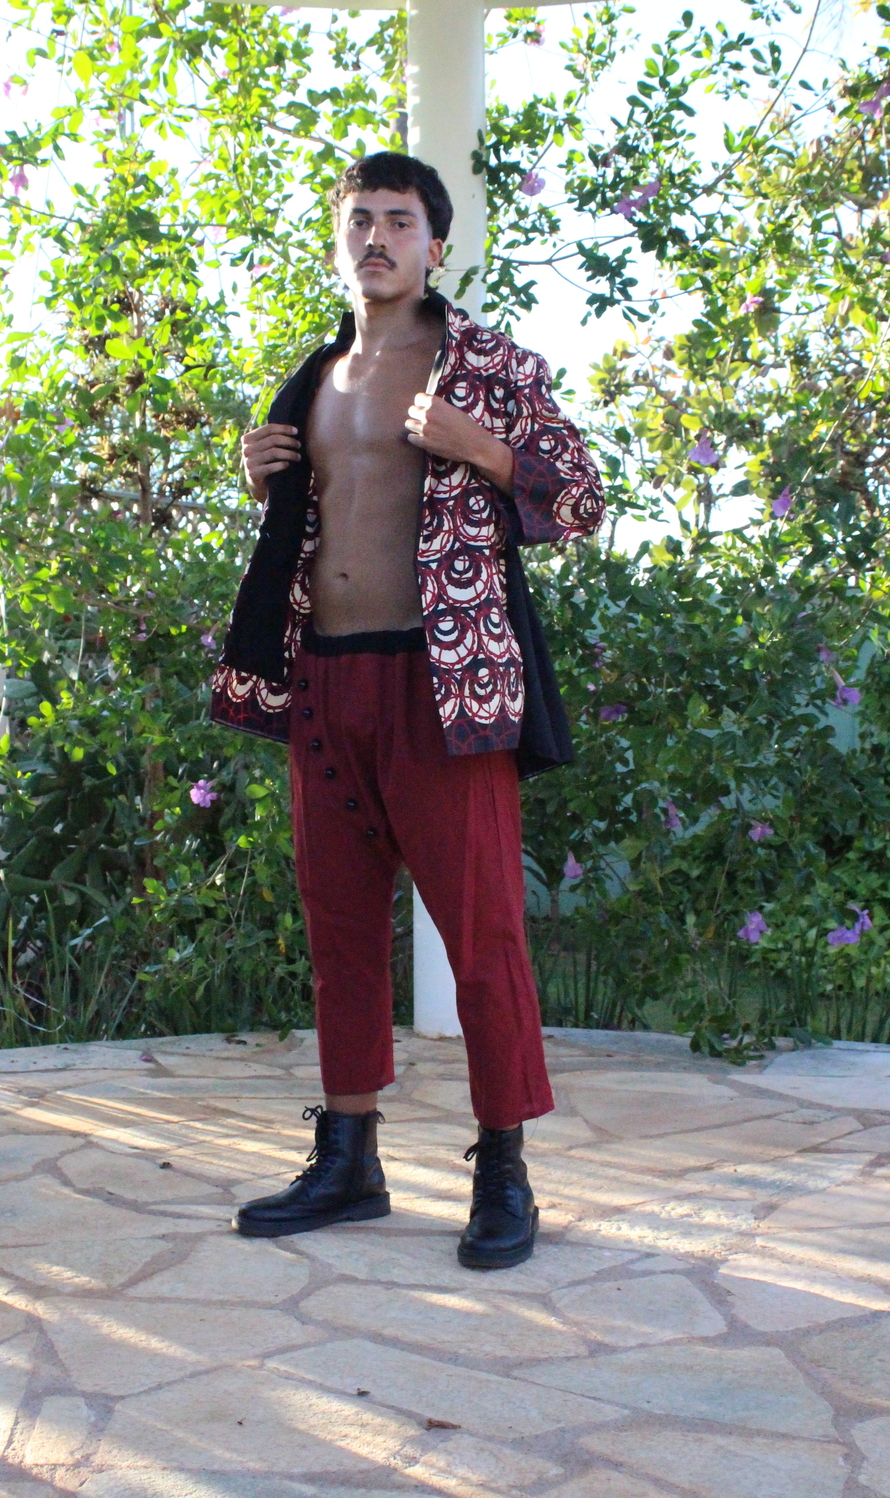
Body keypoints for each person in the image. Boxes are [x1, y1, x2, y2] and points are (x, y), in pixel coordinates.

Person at [211, 151, 604, 1268]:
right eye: (360, 220)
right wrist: (261, 473)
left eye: (398, 220)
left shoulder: (489, 365)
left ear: (436, 245)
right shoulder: (316, 378)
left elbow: (582, 498)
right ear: (342, 240)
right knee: (338, 931)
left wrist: (481, 449)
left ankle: (504, 1170)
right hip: (326, 679)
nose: (376, 237)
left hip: (445, 688)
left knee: (482, 936)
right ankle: (349, 1159)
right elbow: (313, 522)